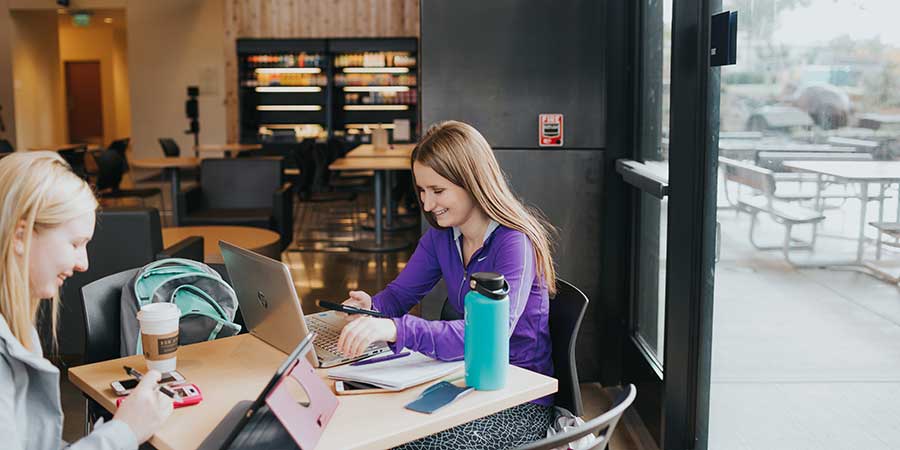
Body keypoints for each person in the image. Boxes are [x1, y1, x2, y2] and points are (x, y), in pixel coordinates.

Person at [336, 121, 558, 449]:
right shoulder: (441, 238)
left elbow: (486, 338)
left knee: (409, 444)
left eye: (438, 191)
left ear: (472, 182)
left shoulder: (514, 243)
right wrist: (371, 308)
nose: (427, 205)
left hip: (517, 400)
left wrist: (397, 330)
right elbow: (398, 296)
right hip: (463, 381)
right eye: (422, 191)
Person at [0, 151, 173, 450]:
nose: (84, 264)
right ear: (20, 236)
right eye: (75, 243)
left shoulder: (17, 328)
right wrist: (125, 431)